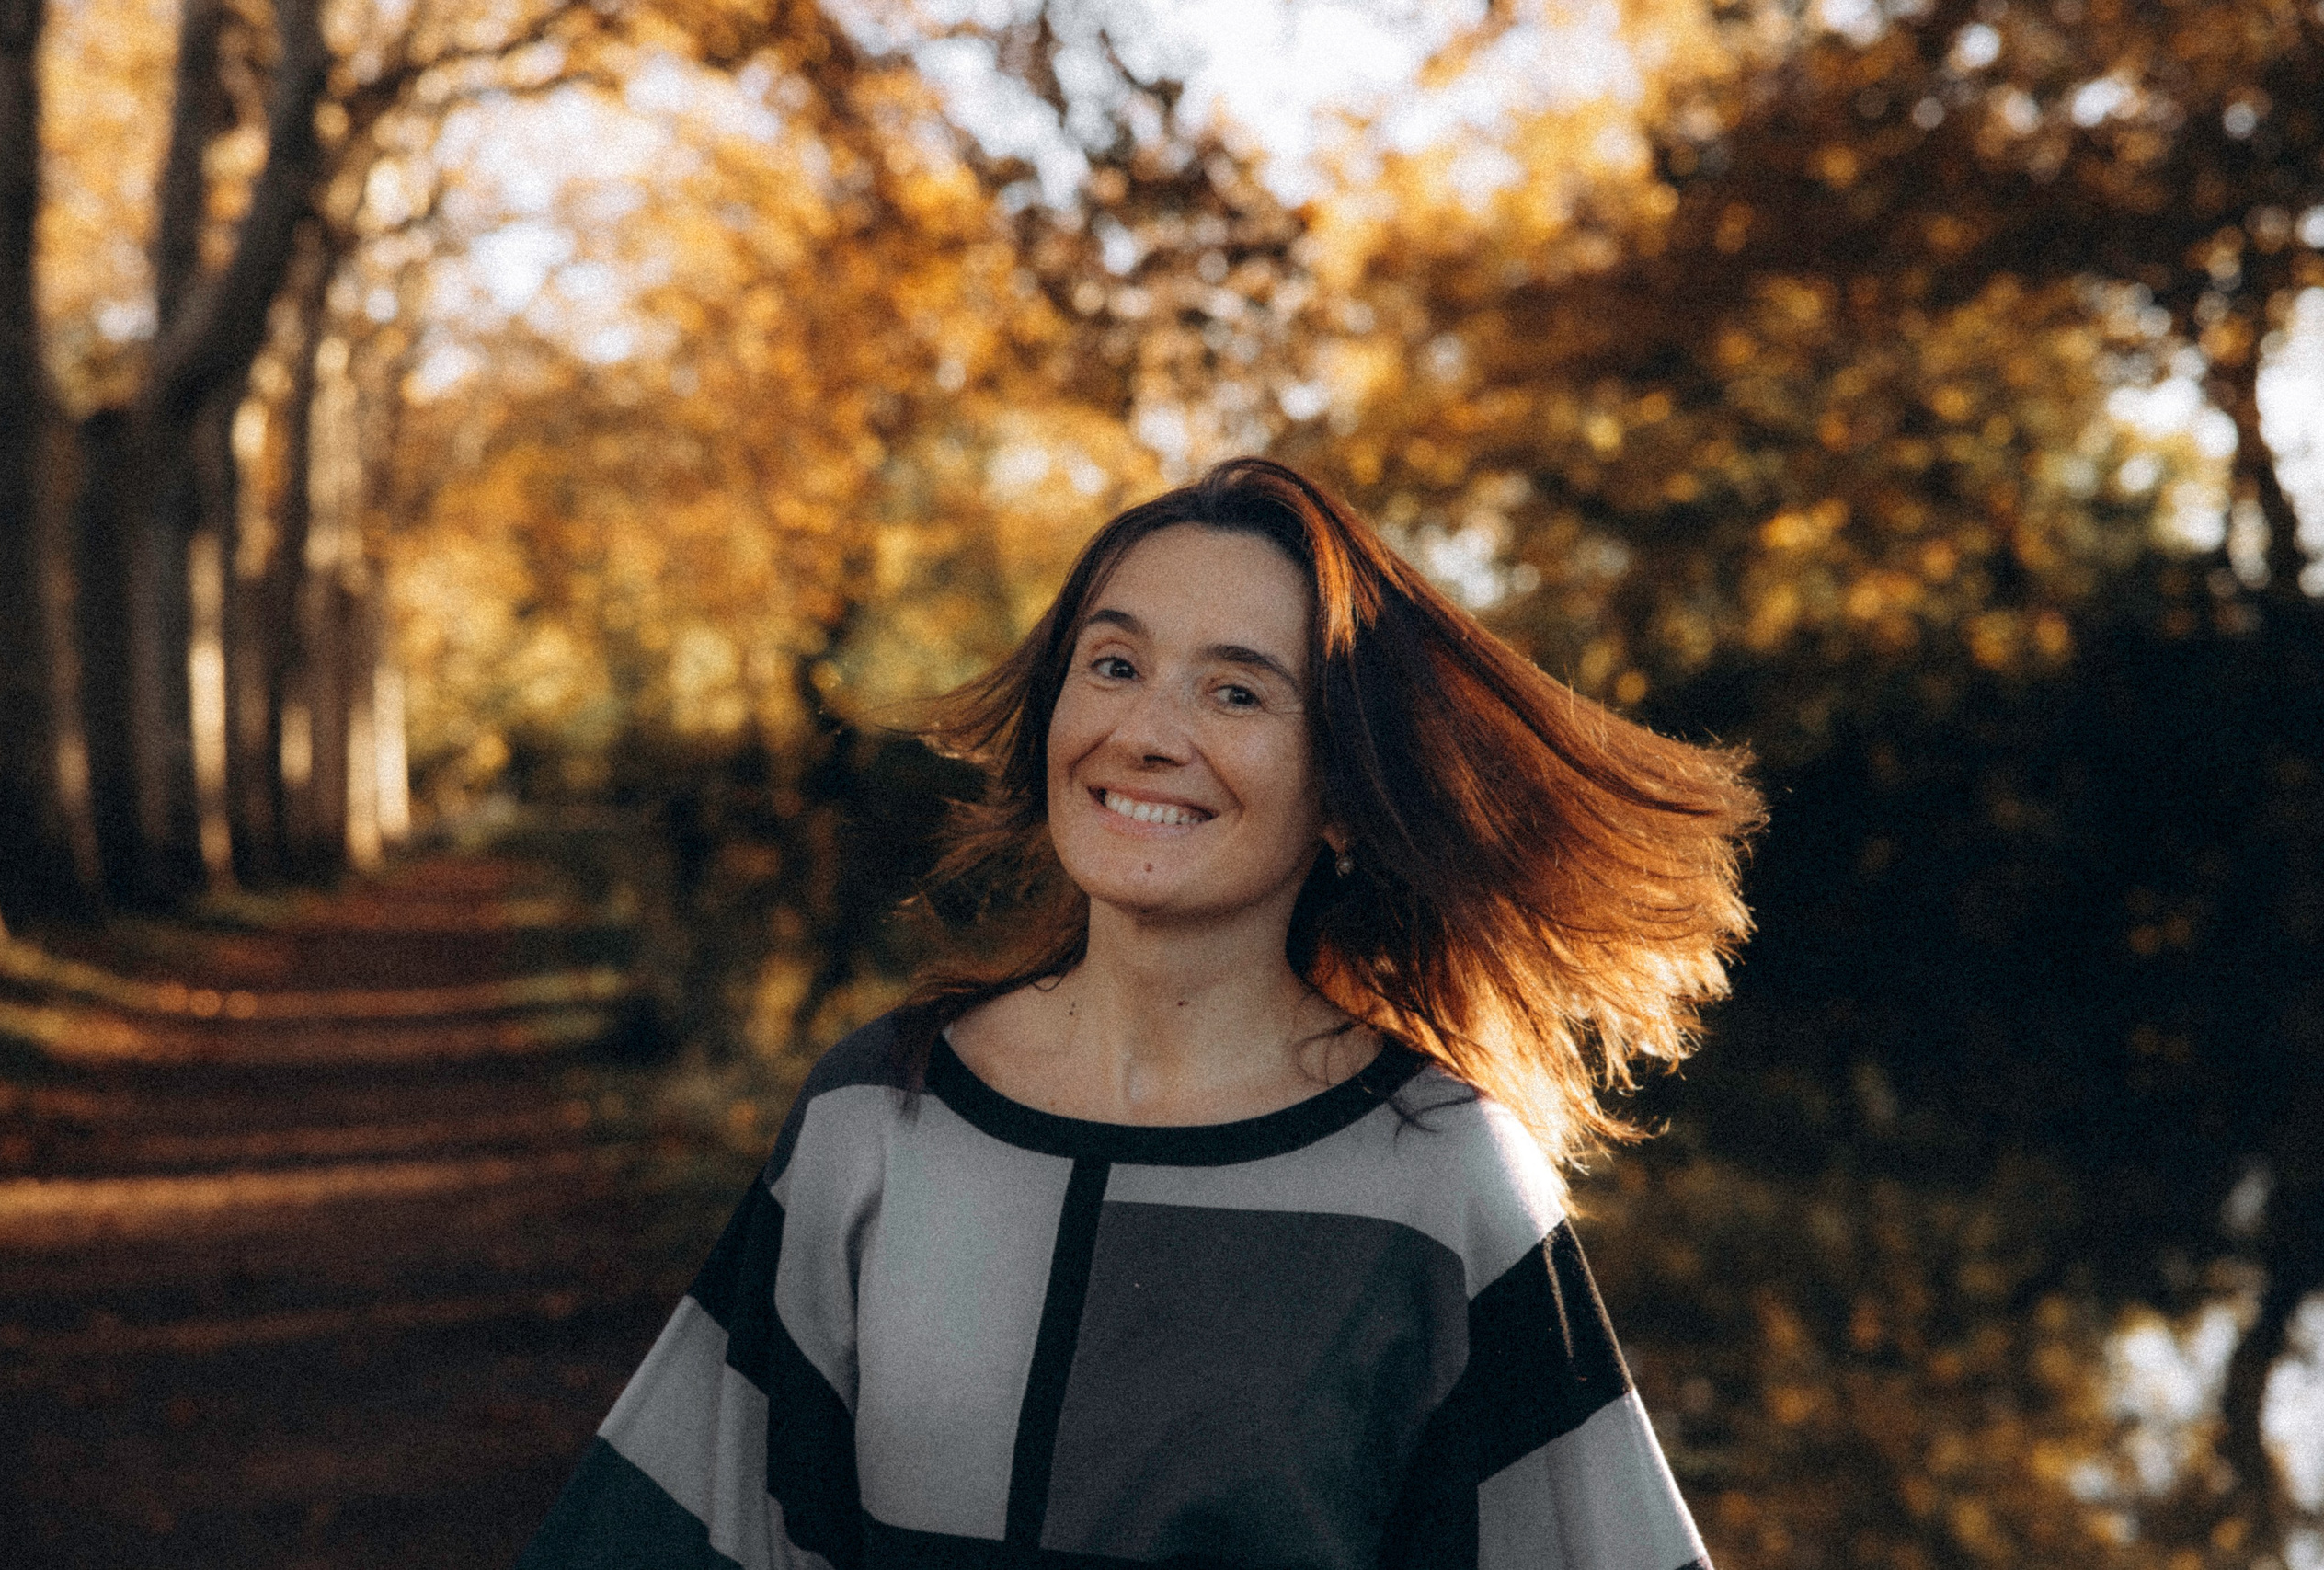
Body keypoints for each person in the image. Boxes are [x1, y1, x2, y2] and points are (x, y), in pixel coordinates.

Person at [518, 458, 1761, 1570]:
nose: (1148, 733)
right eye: (1114, 666)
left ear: (1342, 794)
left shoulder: (1440, 1182)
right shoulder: (878, 1119)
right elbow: (683, 1529)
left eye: (1237, 694)